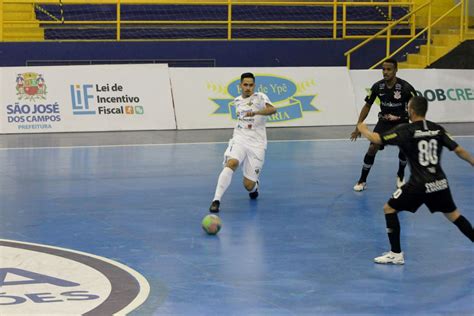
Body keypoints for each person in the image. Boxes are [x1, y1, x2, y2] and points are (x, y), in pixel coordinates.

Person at [357, 96, 474, 264]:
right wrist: (472, 161)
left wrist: (363, 128)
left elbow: (377, 139)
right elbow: (459, 149)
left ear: (411, 110)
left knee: (389, 209)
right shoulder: (437, 129)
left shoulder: (406, 130)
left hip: (419, 185)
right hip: (440, 183)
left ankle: (396, 254)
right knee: (455, 216)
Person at [209, 72, 277, 213]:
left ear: (254, 86)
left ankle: (255, 186)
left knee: (248, 185)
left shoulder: (260, 97)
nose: (248, 87)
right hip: (240, 139)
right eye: (245, 85)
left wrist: (256, 113)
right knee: (232, 163)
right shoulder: (237, 101)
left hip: (257, 144)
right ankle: (216, 200)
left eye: (251, 85)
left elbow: (273, 109)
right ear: (240, 86)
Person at [350, 58, 417, 191]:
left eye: (389, 69)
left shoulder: (406, 87)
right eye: (383, 69)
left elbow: (416, 106)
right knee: (372, 147)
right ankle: (362, 180)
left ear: (396, 70)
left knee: (405, 149)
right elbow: (367, 105)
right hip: (384, 123)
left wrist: (416, 125)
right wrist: (358, 125)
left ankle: (400, 175)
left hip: (401, 122)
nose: (385, 72)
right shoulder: (377, 86)